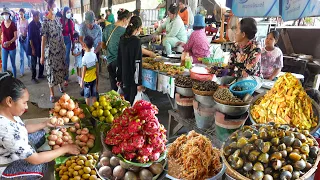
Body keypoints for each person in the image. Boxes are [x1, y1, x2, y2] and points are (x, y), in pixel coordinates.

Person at [0, 72, 80, 178]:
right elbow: (35, 159)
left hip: (11, 149)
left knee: (41, 133)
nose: (27, 107)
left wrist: (44, 123)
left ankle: (30, 153)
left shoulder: (8, 112)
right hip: (5, 165)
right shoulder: (6, 129)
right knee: (39, 166)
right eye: (24, 103)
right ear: (9, 101)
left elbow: (22, 129)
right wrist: (65, 149)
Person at [40, 0, 67, 103]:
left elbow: (61, 34)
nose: (56, 8)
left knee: (60, 69)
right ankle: (52, 93)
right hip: (51, 52)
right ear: (49, 8)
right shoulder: (45, 22)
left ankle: (60, 86)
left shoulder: (57, 19)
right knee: (51, 72)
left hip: (60, 50)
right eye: (54, 6)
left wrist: (64, 46)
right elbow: (43, 40)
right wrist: (42, 55)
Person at [103, 9, 131, 91]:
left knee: (113, 87)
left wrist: (110, 48)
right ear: (124, 19)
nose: (127, 23)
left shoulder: (107, 28)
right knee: (122, 87)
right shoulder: (124, 31)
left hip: (109, 62)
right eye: (128, 21)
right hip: (119, 63)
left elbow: (103, 45)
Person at [117, 16, 143, 104]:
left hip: (124, 78)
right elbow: (137, 63)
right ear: (138, 28)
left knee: (124, 104)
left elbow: (119, 58)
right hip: (132, 79)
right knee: (132, 106)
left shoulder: (122, 38)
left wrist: (119, 78)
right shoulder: (136, 41)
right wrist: (139, 83)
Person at [80, 36, 98, 106]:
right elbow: (97, 68)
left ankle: (88, 109)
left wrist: (82, 81)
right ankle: (95, 108)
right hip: (94, 78)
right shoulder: (94, 55)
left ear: (84, 45)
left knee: (87, 96)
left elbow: (84, 70)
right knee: (94, 94)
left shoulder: (84, 58)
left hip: (87, 80)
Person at [28, 10, 44, 84]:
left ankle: (40, 74)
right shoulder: (31, 25)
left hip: (39, 44)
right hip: (33, 46)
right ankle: (33, 77)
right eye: (38, 16)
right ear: (34, 17)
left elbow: (41, 33)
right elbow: (30, 38)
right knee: (33, 62)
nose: (39, 17)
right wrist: (33, 49)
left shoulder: (39, 24)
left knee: (41, 59)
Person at [1, 7, 18, 78]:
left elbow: (16, 36)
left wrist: (10, 42)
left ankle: (15, 78)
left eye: (6, 13)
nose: (5, 15)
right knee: (4, 65)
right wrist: (3, 42)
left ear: (9, 14)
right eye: (4, 14)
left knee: (13, 64)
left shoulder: (13, 24)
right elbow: (1, 33)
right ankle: (5, 79)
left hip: (12, 47)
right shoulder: (2, 24)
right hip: (4, 47)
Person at [60, 6, 74, 87]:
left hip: (68, 41)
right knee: (61, 58)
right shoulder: (60, 21)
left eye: (70, 12)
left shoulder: (71, 22)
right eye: (68, 12)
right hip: (60, 41)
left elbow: (72, 34)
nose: (69, 14)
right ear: (64, 13)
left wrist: (73, 45)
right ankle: (61, 75)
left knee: (66, 58)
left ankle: (66, 78)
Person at [17, 8, 31, 77]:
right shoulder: (18, 21)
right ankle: (21, 71)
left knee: (28, 54)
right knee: (21, 57)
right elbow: (17, 31)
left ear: (24, 14)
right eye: (19, 14)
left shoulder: (26, 21)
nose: (20, 15)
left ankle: (30, 64)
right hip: (20, 40)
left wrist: (28, 39)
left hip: (25, 40)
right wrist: (17, 41)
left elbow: (28, 31)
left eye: (22, 14)